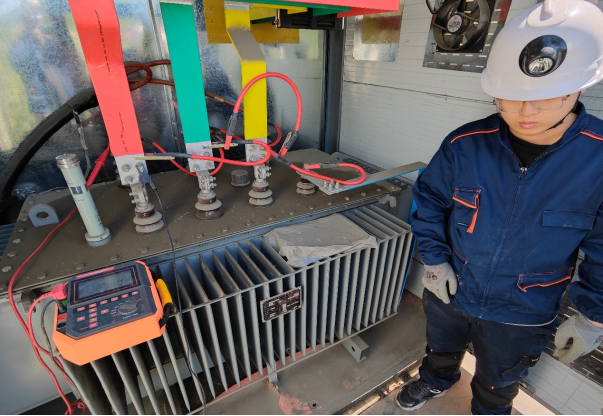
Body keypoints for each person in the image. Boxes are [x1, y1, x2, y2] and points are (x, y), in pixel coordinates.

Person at [396, 0, 603, 414]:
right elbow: (430, 201)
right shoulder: (465, 144)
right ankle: (436, 379)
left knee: (501, 375)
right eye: (509, 97)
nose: (525, 112)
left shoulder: (597, 158)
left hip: (525, 306)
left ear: (579, 87)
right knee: (441, 345)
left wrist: (592, 317)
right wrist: (434, 261)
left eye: (545, 97)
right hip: (453, 286)